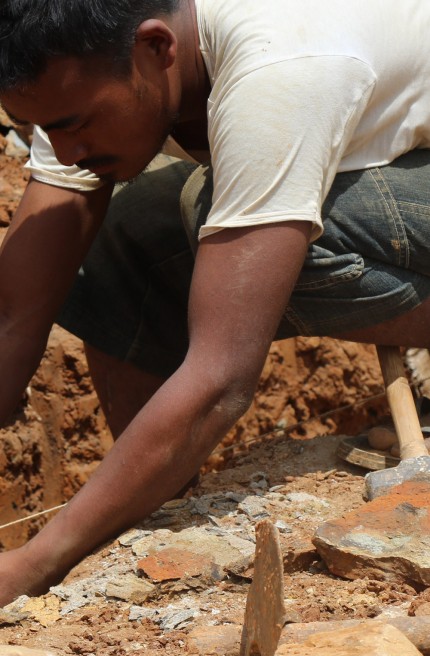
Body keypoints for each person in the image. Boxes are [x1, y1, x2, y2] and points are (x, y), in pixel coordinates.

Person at [0, 0, 430, 606]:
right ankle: (156, 513)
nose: (65, 151)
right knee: (122, 236)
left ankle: (91, 530)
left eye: (74, 125)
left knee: (229, 222)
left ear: (156, 49)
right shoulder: (86, 68)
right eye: (46, 130)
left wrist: (30, 567)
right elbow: (14, 314)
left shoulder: (278, 68)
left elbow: (222, 376)